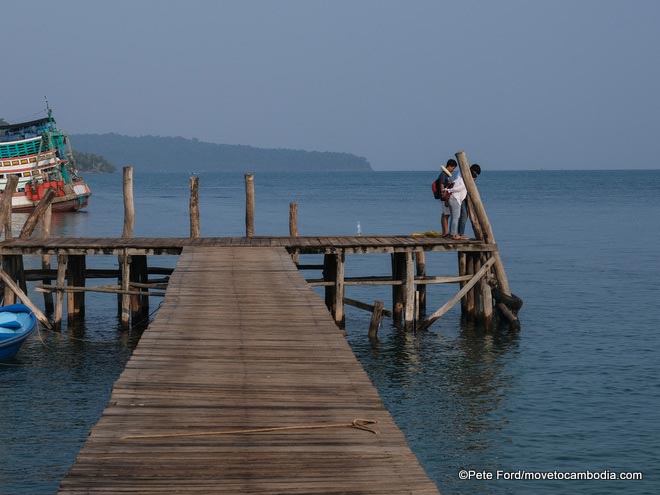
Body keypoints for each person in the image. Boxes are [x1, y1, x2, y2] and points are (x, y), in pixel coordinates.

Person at [456, 163, 482, 238]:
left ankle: (459, 233)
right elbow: (467, 184)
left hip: (463, 196)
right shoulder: (463, 173)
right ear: (473, 170)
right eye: (475, 173)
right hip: (460, 196)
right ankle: (460, 233)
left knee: (463, 215)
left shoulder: (467, 174)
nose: (475, 174)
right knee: (464, 215)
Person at [437, 159, 458, 236]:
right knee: (446, 214)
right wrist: (443, 195)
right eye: (453, 168)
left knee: (445, 214)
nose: (453, 170)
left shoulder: (446, 174)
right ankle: (445, 232)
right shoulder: (443, 174)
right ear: (449, 166)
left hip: (446, 196)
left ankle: (445, 231)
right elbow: (442, 184)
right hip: (444, 197)